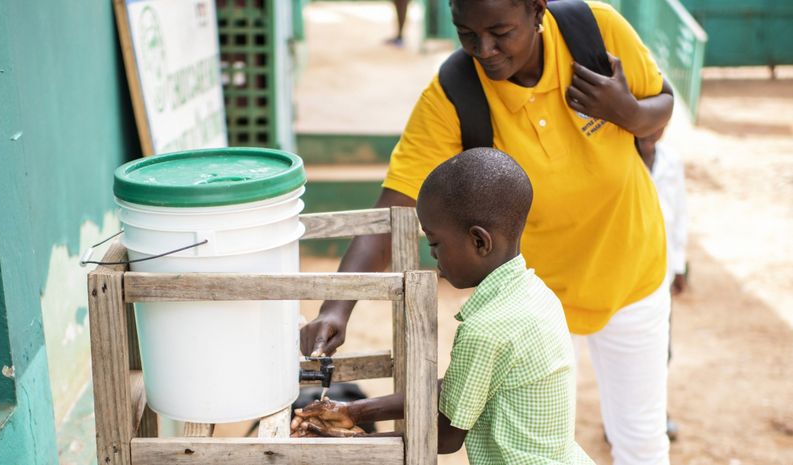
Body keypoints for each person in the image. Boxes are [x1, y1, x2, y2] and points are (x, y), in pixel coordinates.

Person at [301, 1, 674, 464]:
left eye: (501, 32)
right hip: (545, 291)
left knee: (639, 437)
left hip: (630, 270)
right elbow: (394, 205)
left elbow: (663, 102)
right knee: (542, 428)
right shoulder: (455, 92)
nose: (486, 50)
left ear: (537, 12)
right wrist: (335, 309)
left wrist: (627, 111)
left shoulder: (593, 31)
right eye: (467, 34)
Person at [294, 149, 595, 464]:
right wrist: (353, 411)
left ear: (480, 242)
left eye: (435, 244)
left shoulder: (485, 329)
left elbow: (446, 435)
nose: (434, 256)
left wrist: (353, 439)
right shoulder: (535, 294)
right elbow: (460, 388)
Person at [637, 127, 689, 441]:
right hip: (627, 273)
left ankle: (656, 414)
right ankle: (617, 417)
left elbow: (680, 213)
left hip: (662, 268)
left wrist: (680, 266)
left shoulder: (672, 160)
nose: (649, 131)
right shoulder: (621, 158)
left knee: (660, 348)